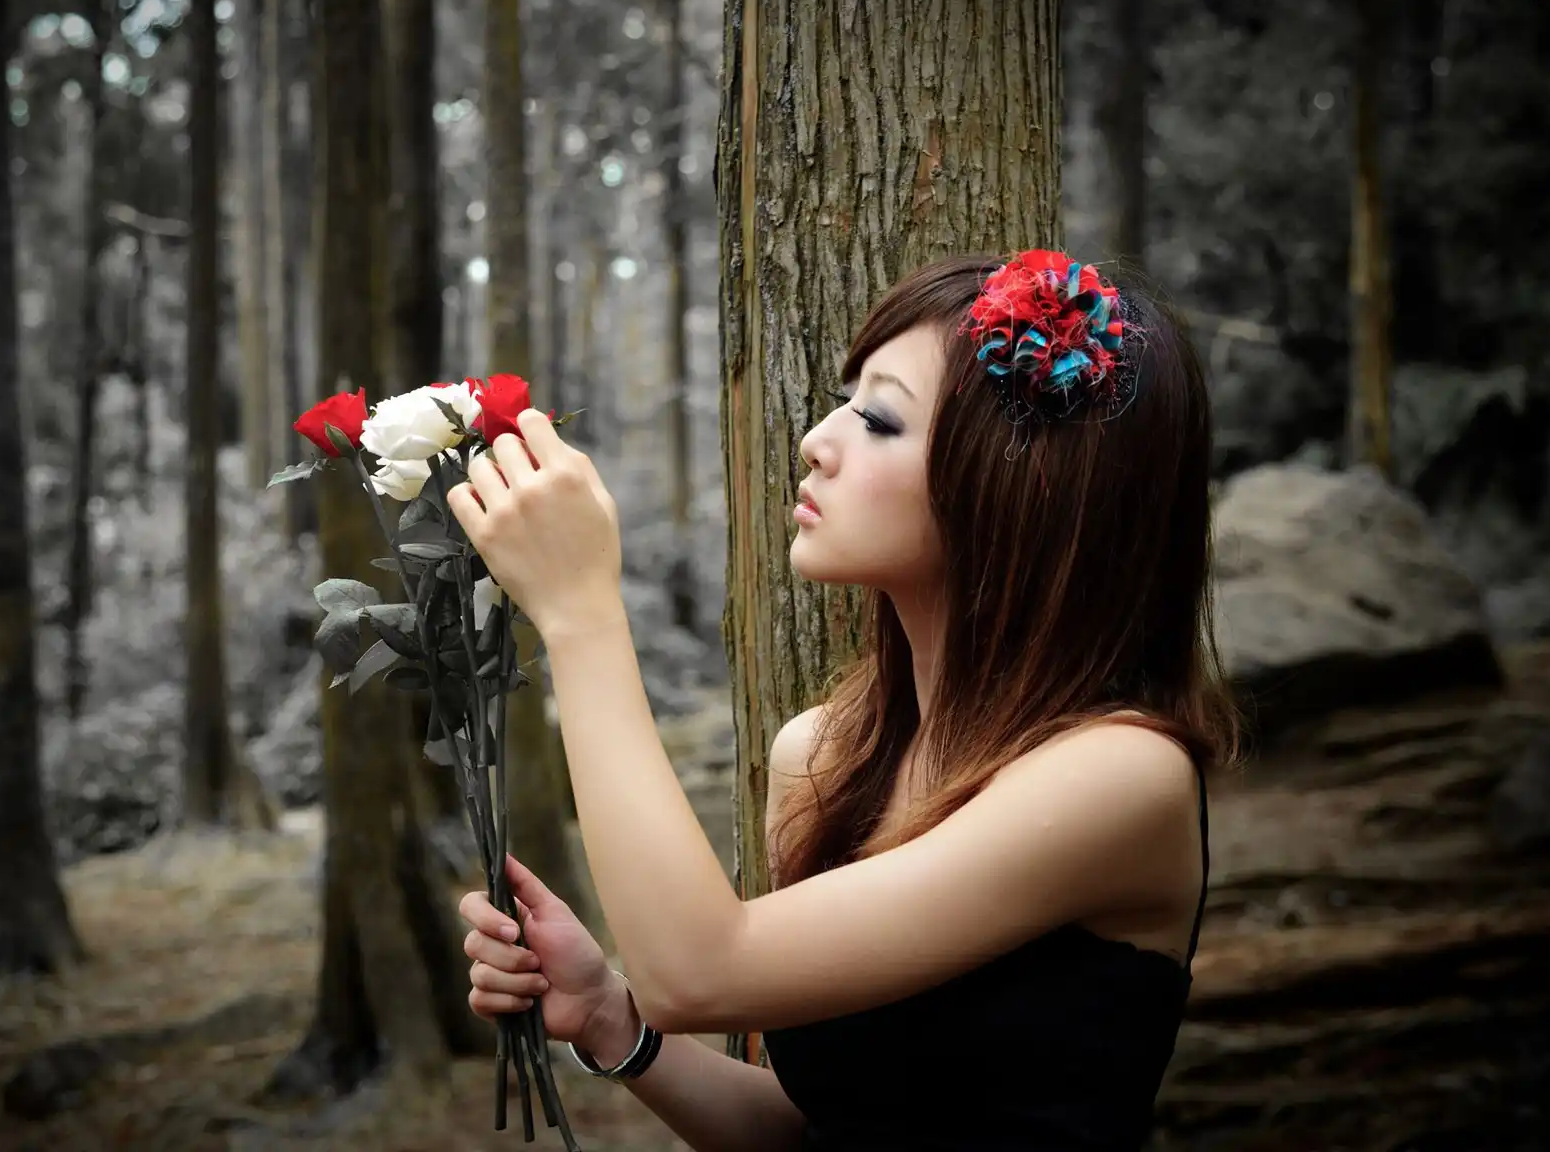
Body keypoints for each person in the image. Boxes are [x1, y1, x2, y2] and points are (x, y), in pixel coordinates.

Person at [445, 251, 1238, 1151]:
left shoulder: (1120, 777)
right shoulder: (826, 758)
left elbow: (700, 973)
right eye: (845, 399)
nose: (818, 439)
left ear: (1022, 489)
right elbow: (815, 1127)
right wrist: (609, 1020)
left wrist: (579, 612)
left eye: (879, 417)